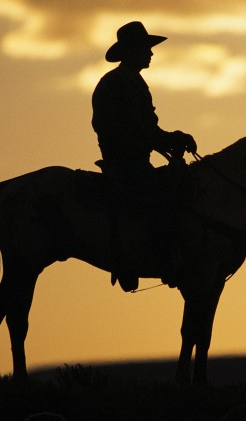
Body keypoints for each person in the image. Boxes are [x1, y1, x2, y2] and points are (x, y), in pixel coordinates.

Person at [92, 21, 197, 291]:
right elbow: (138, 128)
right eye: (146, 48)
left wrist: (170, 139)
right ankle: (158, 259)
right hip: (126, 164)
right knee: (167, 197)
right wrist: (170, 139)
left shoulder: (126, 81)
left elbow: (146, 129)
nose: (151, 54)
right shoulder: (122, 83)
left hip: (131, 159)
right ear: (132, 51)